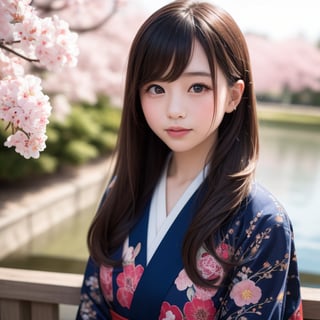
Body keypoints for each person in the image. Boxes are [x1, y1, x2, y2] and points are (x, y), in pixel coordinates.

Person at [76, 1, 303, 319]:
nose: (174, 109)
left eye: (197, 87)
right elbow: (92, 305)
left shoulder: (261, 221)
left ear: (234, 96)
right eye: (156, 88)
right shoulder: (123, 188)